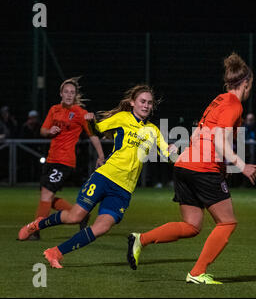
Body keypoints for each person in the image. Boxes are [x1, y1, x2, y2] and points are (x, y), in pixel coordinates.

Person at [127, 52, 256, 284]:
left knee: (191, 225)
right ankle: (197, 273)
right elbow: (218, 139)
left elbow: (199, 133)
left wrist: (222, 163)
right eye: (251, 86)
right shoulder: (234, 105)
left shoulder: (217, 100)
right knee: (227, 222)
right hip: (202, 168)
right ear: (246, 84)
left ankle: (141, 239)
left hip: (185, 165)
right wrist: (241, 165)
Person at [18, 84, 176, 269]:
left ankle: (55, 253)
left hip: (124, 189)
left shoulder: (153, 130)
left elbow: (169, 156)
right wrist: (91, 121)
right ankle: (39, 224)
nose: (146, 105)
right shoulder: (123, 117)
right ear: (132, 102)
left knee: (102, 227)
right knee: (75, 216)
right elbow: (97, 129)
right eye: (142, 101)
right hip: (105, 177)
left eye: (149, 103)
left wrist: (173, 151)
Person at [26, 77, 105, 240]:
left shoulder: (80, 113)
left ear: (75, 95)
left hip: (64, 161)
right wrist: (49, 131)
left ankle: (35, 229)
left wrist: (101, 155)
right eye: (66, 92)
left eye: (72, 92)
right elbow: (43, 130)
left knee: (46, 194)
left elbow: (93, 135)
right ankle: (81, 215)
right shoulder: (54, 109)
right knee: (47, 195)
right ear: (61, 93)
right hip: (51, 159)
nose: (69, 95)